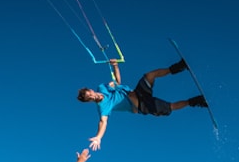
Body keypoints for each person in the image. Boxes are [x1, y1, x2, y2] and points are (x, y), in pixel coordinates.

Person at [77, 58, 208, 150]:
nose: (94, 96)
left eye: (91, 93)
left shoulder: (102, 87)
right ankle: (196, 101)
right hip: (140, 106)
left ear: (91, 90)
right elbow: (103, 122)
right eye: (91, 98)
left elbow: (117, 81)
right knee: (171, 106)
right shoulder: (102, 107)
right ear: (90, 101)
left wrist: (116, 66)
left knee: (150, 75)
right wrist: (99, 137)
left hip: (139, 92)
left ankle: (179, 67)